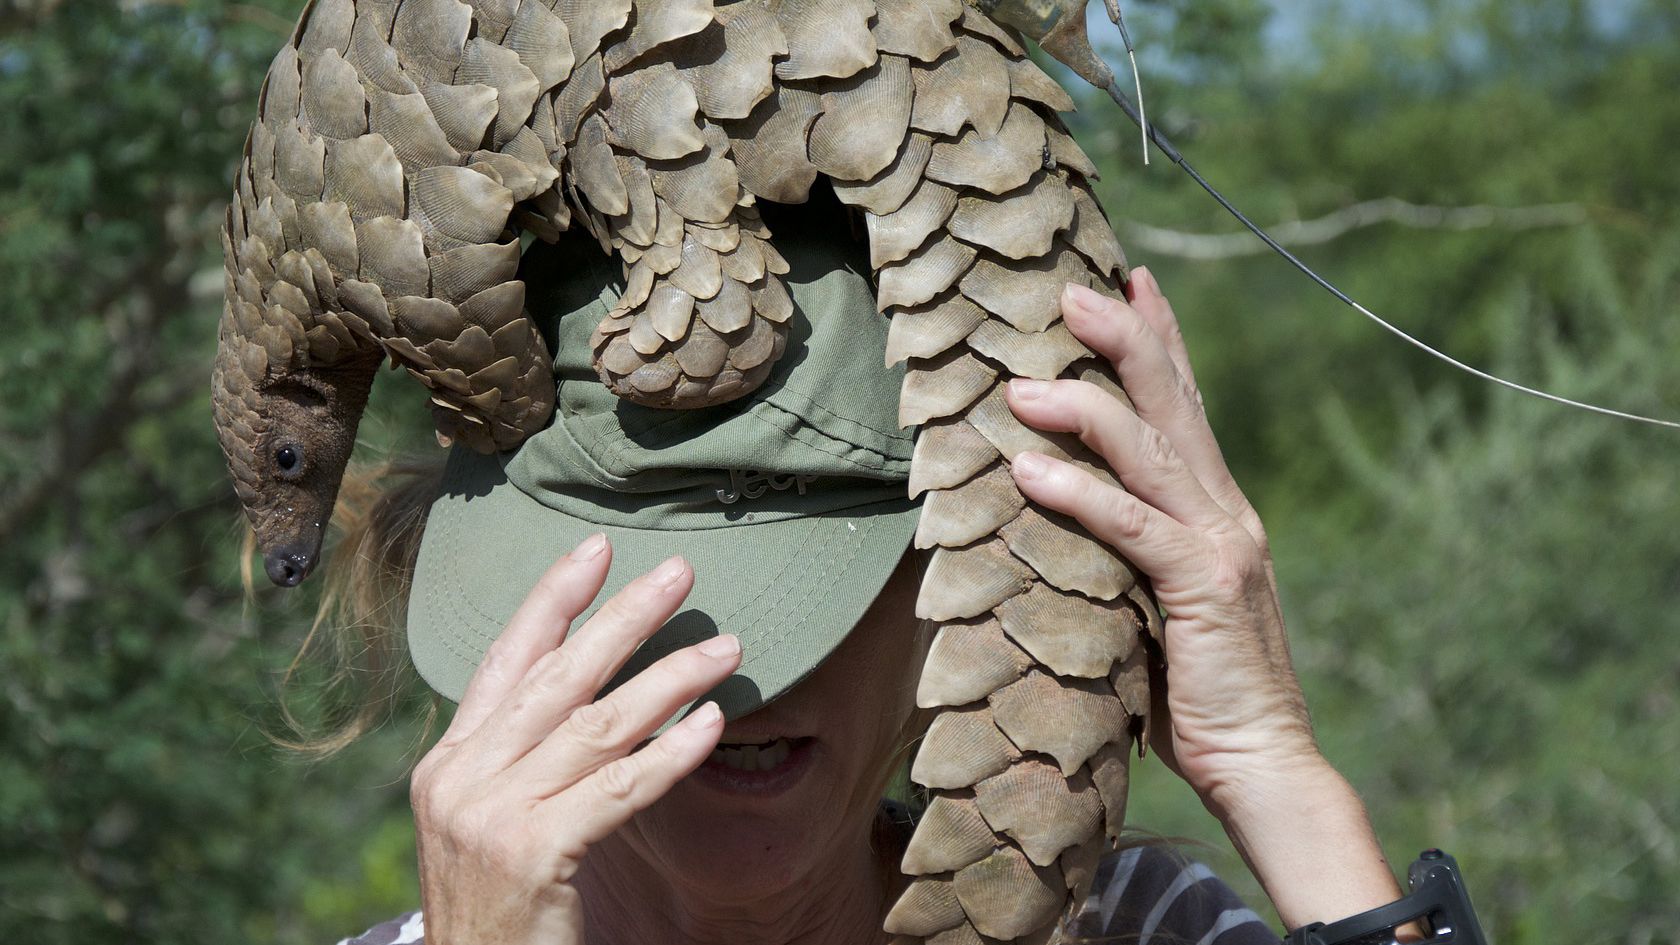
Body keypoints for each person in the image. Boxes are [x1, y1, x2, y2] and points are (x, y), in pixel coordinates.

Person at [316, 193, 1410, 945]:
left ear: (951, 592)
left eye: (814, 586)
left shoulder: (1125, 923)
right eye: (649, 589)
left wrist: (1272, 772)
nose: (737, 670)